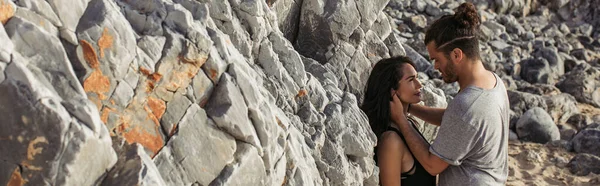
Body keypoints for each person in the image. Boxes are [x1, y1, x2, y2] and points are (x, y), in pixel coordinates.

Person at [388, 2, 510, 186]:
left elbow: (432, 165)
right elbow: (458, 121)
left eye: (437, 59)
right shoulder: (493, 82)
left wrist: (401, 120)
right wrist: (411, 108)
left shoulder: (467, 105)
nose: (435, 67)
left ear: (456, 55)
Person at [361, 56, 436, 186]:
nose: (419, 85)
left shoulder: (408, 124)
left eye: (417, 78)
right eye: (411, 80)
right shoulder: (391, 140)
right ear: (392, 91)